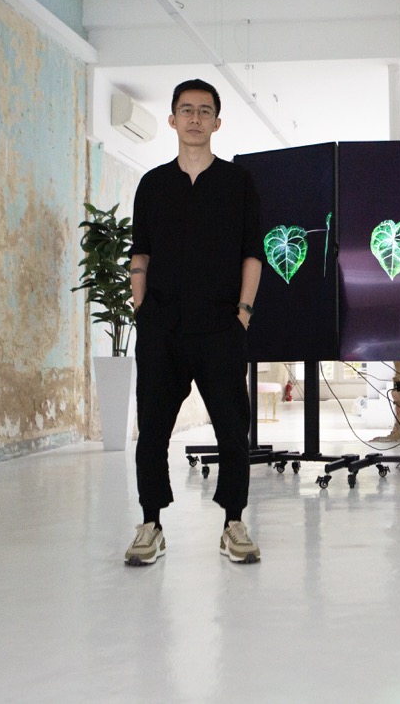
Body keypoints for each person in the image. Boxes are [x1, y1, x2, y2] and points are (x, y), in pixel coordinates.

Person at [123, 78, 263, 566]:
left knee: (233, 429)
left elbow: (252, 254)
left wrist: (243, 314)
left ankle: (233, 523)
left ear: (217, 123)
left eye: (205, 111)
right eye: (187, 110)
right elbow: (140, 254)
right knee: (153, 429)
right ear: (173, 120)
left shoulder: (238, 183)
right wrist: (141, 309)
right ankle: (150, 524)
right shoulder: (153, 185)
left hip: (221, 327)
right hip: (162, 327)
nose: (195, 118)